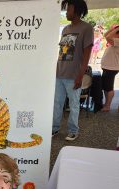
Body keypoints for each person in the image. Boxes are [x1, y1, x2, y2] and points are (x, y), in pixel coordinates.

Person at [52, 0, 93, 141]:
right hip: (59, 73)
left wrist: (80, 76)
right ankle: (54, 128)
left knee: (73, 105)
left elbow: (87, 55)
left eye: (68, 9)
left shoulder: (86, 28)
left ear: (77, 10)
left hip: (74, 75)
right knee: (57, 103)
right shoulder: (65, 29)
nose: (66, 12)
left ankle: (73, 130)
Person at [100, 25, 119, 112]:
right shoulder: (115, 41)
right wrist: (112, 29)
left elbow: (107, 37)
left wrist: (117, 28)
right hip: (108, 67)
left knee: (109, 87)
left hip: (112, 68)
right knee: (106, 86)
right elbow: (105, 35)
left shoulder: (117, 41)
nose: (113, 34)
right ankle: (106, 103)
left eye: (114, 33)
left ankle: (108, 106)